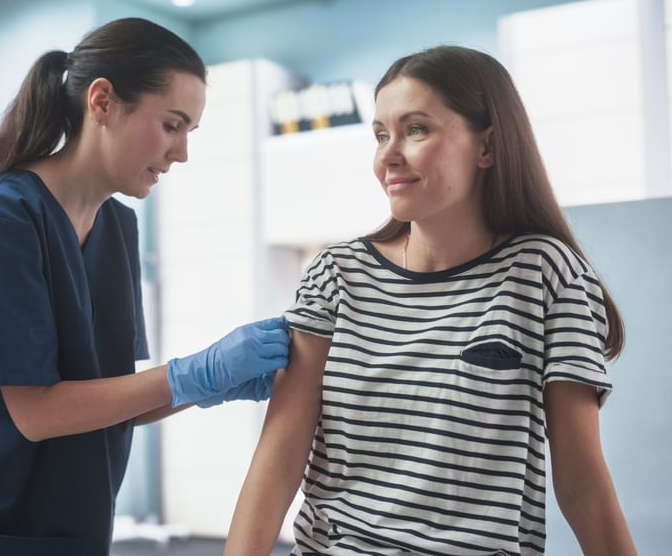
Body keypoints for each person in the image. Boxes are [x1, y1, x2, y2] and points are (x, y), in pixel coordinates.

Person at [0, 18, 289, 556]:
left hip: (70, 531)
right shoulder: (2, 217)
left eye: (190, 132)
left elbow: (109, 399)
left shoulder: (117, 226)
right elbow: (38, 411)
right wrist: (194, 372)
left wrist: (210, 385)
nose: (181, 152)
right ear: (102, 102)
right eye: (172, 124)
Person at [225, 46, 637, 555]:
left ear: (486, 146)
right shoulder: (336, 275)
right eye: (380, 134)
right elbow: (279, 457)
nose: (387, 155)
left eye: (415, 129)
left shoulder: (547, 276)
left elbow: (583, 485)